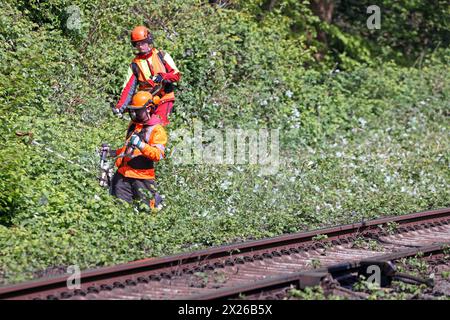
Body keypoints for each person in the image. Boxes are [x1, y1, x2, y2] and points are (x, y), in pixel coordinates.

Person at [106, 91, 168, 212]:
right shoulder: (134, 125)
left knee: (147, 213)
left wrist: (141, 145)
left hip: (142, 178)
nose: (134, 113)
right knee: (120, 210)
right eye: (133, 110)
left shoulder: (157, 130)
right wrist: (112, 153)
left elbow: (158, 155)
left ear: (149, 109)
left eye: (138, 110)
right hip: (123, 175)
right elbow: (129, 150)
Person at [113, 26, 181, 126]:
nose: (140, 46)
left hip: (164, 98)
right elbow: (128, 89)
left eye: (143, 42)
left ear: (148, 40)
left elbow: (176, 75)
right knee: (139, 128)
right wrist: (120, 107)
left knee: (159, 125)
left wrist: (163, 76)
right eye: (137, 44)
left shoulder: (162, 55)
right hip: (145, 102)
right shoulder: (135, 65)